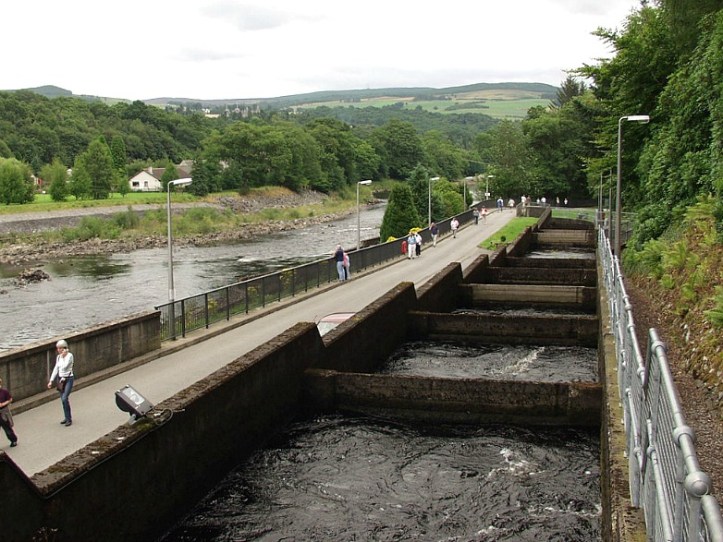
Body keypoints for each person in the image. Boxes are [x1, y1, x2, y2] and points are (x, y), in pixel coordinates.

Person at [48, 339, 75, 426]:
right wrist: (51, 380)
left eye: (60, 348)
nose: (59, 350)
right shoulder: (58, 357)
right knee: (63, 400)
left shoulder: (70, 356)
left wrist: (63, 357)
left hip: (68, 378)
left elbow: (64, 367)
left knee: (64, 398)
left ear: (65, 348)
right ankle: (66, 417)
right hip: (60, 379)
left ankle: (69, 419)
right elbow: (56, 368)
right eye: (58, 348)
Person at [0, 377, 18, 447]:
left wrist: (3, 404)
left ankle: (13, 440)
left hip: (4, 411)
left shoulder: (4, 392)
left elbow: (10, 399)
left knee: (7, 428)